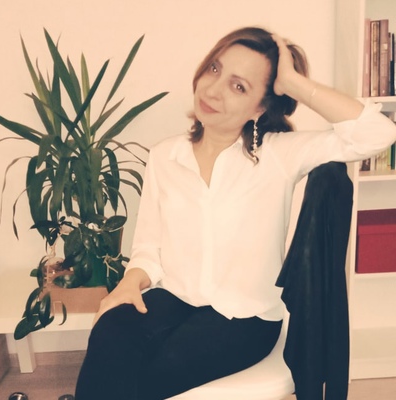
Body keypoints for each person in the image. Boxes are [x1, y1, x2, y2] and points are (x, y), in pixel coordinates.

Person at [75, 27, 396, 400]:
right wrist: (130, 282)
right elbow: (148, 247)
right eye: (214, 69)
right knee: (110, 332)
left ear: (260, 107)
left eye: (239, 86)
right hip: (175, 297)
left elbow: (377, 134)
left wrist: (293, 83)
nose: (213, 90)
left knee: (146, 373)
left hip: (245, 317)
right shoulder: (165, 155)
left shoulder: (279, 155)